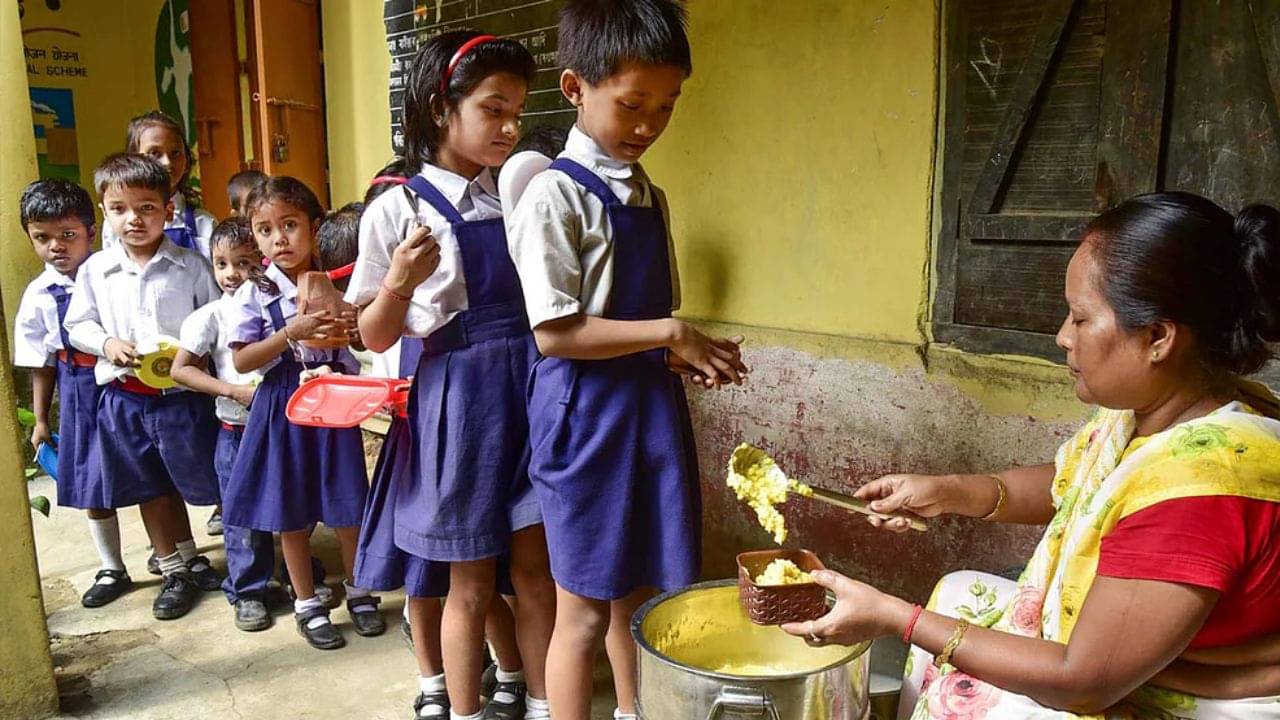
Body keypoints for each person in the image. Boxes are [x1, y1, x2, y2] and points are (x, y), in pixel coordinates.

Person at [784, 192, 1280, 718]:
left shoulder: (1201, 486)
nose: (1063, 337)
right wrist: (950, 492)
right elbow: (1078, 487)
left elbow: (1081, 682)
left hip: (1178, 696)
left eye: (1081, 319)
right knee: (957, 593)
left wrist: (894, 618)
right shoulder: (1158, 413)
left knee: (985, 699)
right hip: (1118, 661)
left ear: (1157, 337)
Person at [504, 1, 747, 717]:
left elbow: (645, 322)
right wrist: (671, 333)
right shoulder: (554, 196)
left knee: (640, 599)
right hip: (586, 419)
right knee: (583, 609)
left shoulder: (651, 196)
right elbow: (555, 334)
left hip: (650, 410)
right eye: (633, 105)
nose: (649, 125)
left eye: (667, 107)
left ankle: (634, 710)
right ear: (575, 88)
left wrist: (687, 354)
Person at [347, 31, 553, 720]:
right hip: (460, 402)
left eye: (516, 112)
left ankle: (544, 705)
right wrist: (400, 281)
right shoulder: (396, 209)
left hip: (533, 388)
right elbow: (373, 334)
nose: (510, 127)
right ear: (441, 109)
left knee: (534, 572)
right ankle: (464, 711)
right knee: (469, 581)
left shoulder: (516, 198)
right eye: (494, 109)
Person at [64, 153, 224, 620]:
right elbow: (78, 324)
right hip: (127, 398)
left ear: (168, 210)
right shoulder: (95, 270)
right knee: (148, 485)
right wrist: (107, 343)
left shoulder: (191, 266)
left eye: (146, 207)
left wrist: (197, 355)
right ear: (104, 211)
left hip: (182, 399)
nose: (133, 219)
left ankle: (193, 556)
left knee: (192, 477)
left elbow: (217, 318)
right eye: (119, 209)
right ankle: (174, 568)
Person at [222, 176, 380, 650]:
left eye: (289, 225)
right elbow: (242, 360)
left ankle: (360, 591)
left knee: (348, 504)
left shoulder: (337, 282)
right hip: (282, 405)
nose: (279, 239)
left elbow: (360, 342)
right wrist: (292, 331)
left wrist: (351, 329)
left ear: (315, 225)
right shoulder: (255, 293)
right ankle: (308, 604)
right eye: (265, 230)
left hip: (333, 401)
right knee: (290, 511)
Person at [13, 179, 128, 607]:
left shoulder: (114, 276)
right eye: (42, 237)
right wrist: (42, 420)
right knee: (92, 481)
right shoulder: (39, 296)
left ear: (91, 232)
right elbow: (41, 364)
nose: (55, 247)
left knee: (144, 469)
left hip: (125, 382)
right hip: (78, 387)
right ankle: (112, 566)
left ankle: (173, 556)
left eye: (67, 234)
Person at [104, 112, 217, 263]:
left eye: (175, 153)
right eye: (154, 153)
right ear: (134, 160)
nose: (167, 162)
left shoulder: (204, 224)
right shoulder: (116, 223)